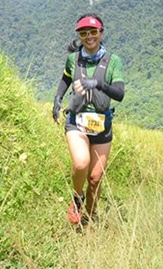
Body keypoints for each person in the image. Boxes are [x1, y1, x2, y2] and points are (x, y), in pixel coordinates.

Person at [52, 14, 125, 225]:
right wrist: (58, 98)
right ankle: (76, 198)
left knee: (95, 179)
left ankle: (89, 219)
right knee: (81, 162)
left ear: (101, 33)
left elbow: (119, 94)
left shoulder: (113, 61)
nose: (89, 36)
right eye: (83, 33)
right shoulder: (73, 59)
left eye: (93, 32)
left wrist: (98, 84)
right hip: (77, 120)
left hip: (102, 124)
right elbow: (66, 77)